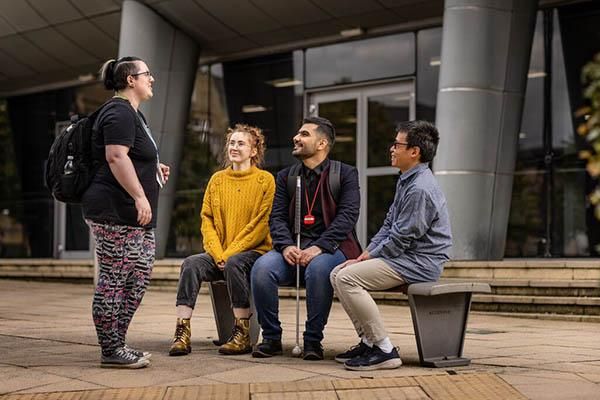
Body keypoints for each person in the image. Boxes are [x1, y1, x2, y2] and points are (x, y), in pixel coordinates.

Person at [330, 120, 452, 371]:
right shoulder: (407, 179)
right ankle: (369, 341)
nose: (392, 149)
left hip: (420, 263)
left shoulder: (420, 188)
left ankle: (384, 349)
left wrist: (370, 257)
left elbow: (402, 237)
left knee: (347, 279)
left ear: (414, 152)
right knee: (337, 273)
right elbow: (389, 224)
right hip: (404, 257)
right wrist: (366, 254)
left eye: (397, 144)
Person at [82, 57, 170, 369]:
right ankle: (110, 349)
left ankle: (118, 342)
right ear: (131, 79)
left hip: (132, 215)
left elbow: (130, 155)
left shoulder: (133, 114)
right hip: (114, 211)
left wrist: (151, 167)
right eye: (148, 74)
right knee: (114, 279)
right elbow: (116, 156)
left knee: (139, 276)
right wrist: (139, 195)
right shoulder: (118, 110)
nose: (152, 79)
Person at [251, 116, 361, 360]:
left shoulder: (345, 174)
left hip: (333, 248)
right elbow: (276, 218)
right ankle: (271, 338)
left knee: (318, 269)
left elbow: (348, 217)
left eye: (304, 134)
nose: (296, 138)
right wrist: (286, 245)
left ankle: (312, 341)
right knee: (262, 268)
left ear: (322, 144)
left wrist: (319, 247)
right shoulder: (286, 177)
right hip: (294, 247)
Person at [169, 124, 275, 357]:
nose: (234, 147)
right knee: (191, 264)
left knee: (236, 262)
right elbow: (207, 220)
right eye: (232, 143)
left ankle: (242, 332)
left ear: (254, 150)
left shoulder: (265, 181)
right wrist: (218, 255)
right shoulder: (217, 180)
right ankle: (182, 331)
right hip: (220, 254)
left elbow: (260, 225)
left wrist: (227, 256)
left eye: (241, 143)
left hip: (253, 253)